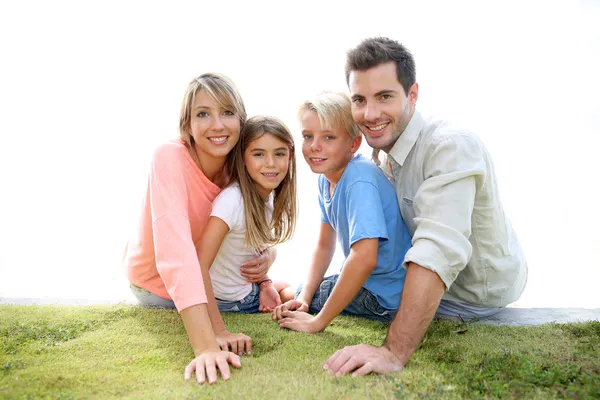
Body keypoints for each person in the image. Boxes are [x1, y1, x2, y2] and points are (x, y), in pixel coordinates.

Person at [323, 37, 527, 376]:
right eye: (359, 100)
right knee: (319, 289)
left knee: (331, 293)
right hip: (425, 284)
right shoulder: (385, 154)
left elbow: (436, 250)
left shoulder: (450, 146)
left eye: (384, 96)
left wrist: (392, 352)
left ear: (412, 95)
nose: (370, 114)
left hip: (473, 296)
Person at [124, 73, 275, 384]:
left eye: (227, 112)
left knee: (280, 292)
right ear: (187, 125)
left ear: (241, 121)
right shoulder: (169, 157)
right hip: (157, 286)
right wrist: (208, 344)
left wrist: (268, 258)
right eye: (203, 114)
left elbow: (253, 224)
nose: (217, 125)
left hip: (207, 282)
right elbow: (176, 254)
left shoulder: (238, 165)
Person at [272, 92, 411, 333]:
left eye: (328, 137)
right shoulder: (327, 178)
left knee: (283, 293)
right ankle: (297, 293)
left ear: (354, 143)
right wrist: (305, 298)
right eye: (308, 136)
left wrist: (318, 322)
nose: (315, 146)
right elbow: (325, 246)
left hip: (381, 296)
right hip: (371, 285)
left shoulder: (359, 179)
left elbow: (365, 257)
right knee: (296, 293)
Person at [196, 116, 297, 316]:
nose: (270, 163)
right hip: (233, 300)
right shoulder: (232, 201)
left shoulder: (264, 197)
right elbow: (200, 264)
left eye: (279, 154)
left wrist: (266, 283)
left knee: (284, 287)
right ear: (243, 158)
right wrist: (217, 327)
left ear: (290, 157)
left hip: (239, 292)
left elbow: (247, 252)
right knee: (293, 292)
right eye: (259, 154)